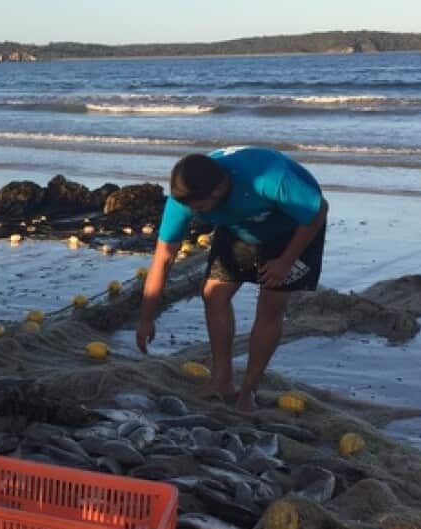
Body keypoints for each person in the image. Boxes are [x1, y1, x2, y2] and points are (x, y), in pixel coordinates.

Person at [136, 147, 328, 412]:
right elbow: (163, 259)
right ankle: (221, 381)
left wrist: (285, 262)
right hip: (239, 228)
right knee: (213, 294)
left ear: (218, 190)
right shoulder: (183, 200)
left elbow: (317, 211)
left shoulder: (267, 176)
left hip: (294, 230)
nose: (193, 212)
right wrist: (146, 317)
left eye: (199, 208)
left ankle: (248, 391)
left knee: (270, 305)